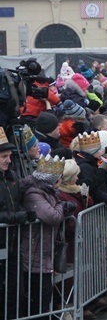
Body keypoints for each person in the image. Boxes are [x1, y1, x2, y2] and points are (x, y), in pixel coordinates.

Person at [21, 154, 76, 320]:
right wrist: (61, 205)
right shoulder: (34, 194)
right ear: (55, 181)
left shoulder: (47, 192)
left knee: (45, 298)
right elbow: (52, 216)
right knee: (38, 301)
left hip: (44, 251)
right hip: (34, 251)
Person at [0, 127, 36, 319]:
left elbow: (18, 200)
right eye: (4, 156)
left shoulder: (12, 176)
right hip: (2, 243)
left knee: (15, 293)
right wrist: (17, 218)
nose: (8, 159)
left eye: (9, 155)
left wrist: (25, 213)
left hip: (13, 246)